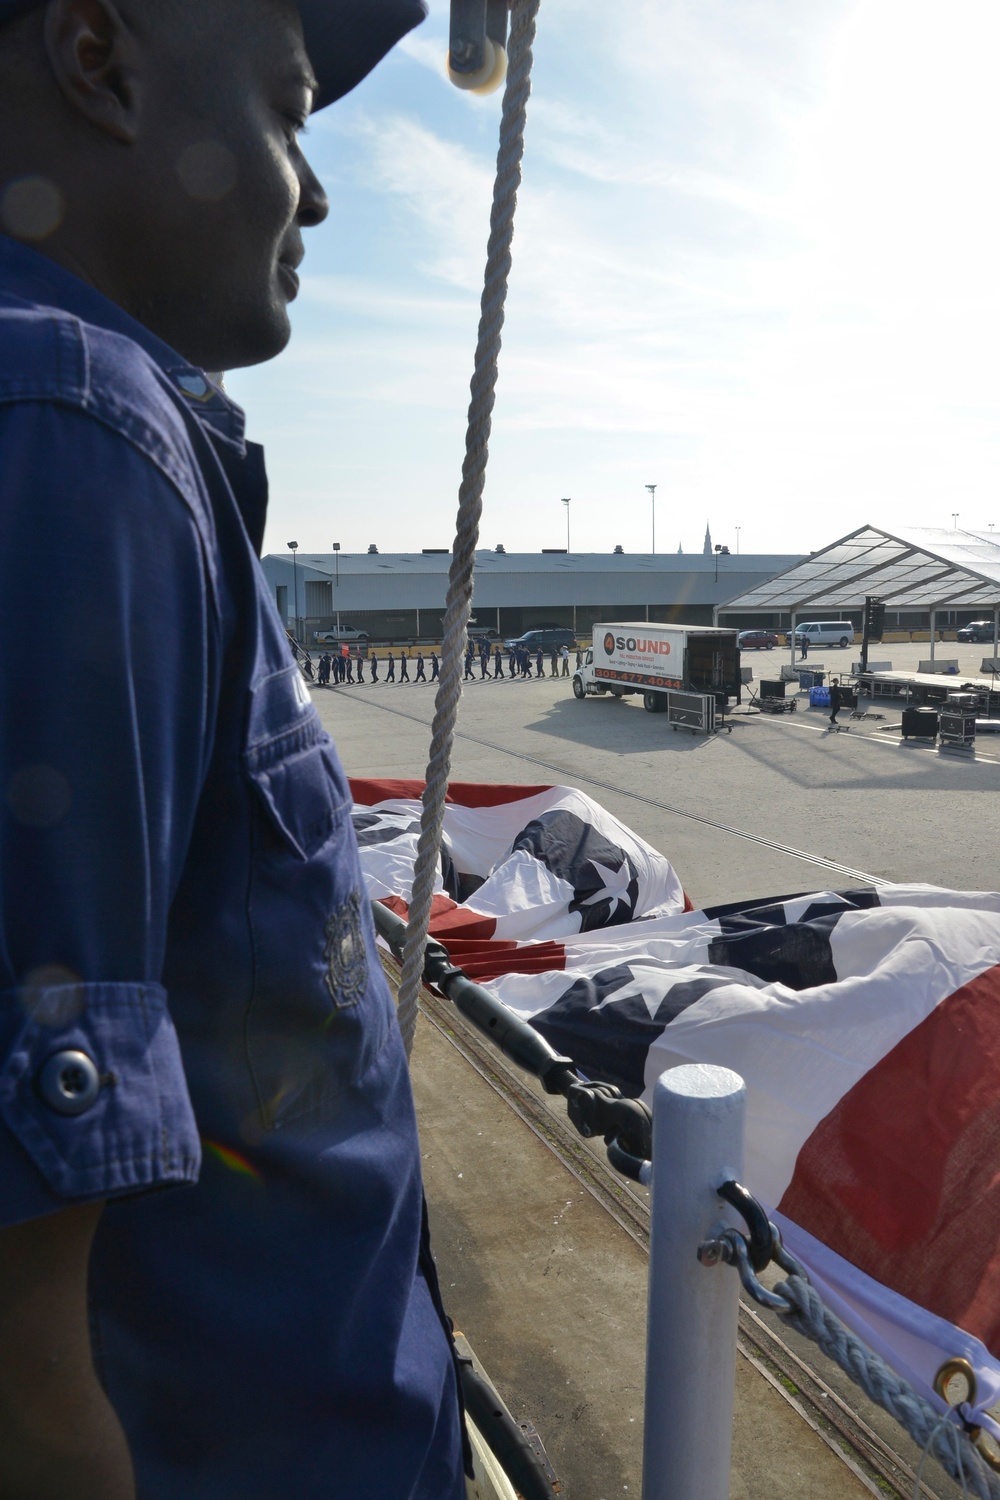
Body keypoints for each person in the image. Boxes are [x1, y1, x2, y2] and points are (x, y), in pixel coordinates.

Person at [0, 2, 466, 1499]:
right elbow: (28, 1369)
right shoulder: (80, 430)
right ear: (102, 64)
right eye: (291, 112)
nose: (316, 191)